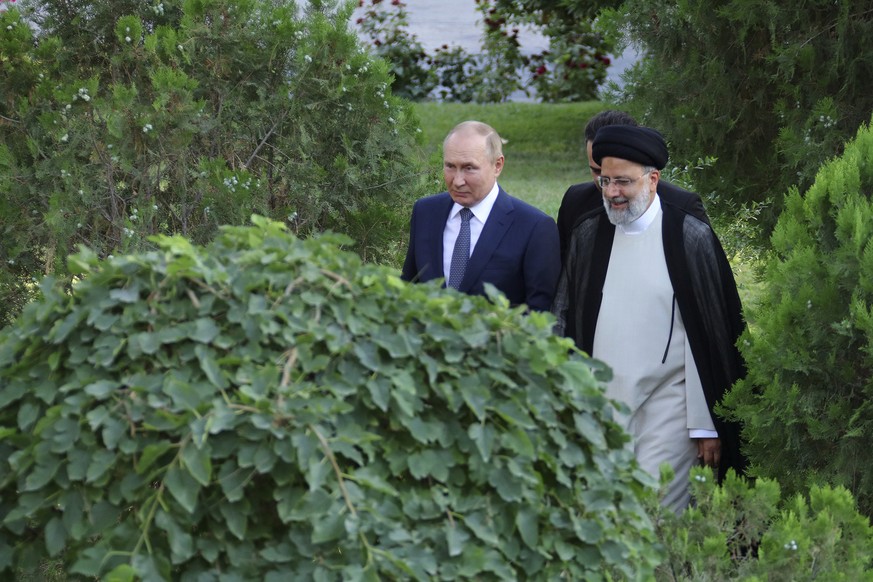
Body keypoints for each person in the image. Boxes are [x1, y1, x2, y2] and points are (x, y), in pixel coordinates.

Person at [552, 124, 746, 511]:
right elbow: (566, 318)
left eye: (623, 182)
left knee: (650, 519)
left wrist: (705, 424)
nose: (612, 193)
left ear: (653, 179)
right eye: (605, 181)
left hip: (669, 406)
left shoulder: (688, 236)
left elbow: (709, 334)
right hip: (604, 404)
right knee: (603, 520)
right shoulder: (589, 235)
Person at [402, 120, 560, 312]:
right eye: (450, 166)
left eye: (469, 168)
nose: (457, 181)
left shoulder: (534, 228)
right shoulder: (426, 212)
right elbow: (408, 288)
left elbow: (539, 314)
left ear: (498, 165)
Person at [556, 110, 709, 261]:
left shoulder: (683, 207)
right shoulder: (575, 202)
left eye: (621, 179)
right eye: (598, 172)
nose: (608, 189)